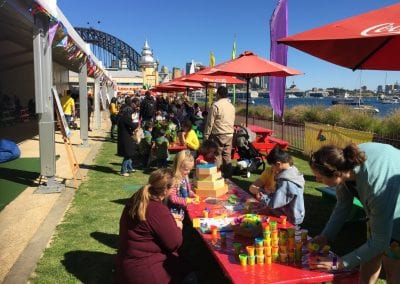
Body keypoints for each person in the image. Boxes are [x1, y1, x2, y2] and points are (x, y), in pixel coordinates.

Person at [308, 142, 400, 283]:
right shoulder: (343, 165)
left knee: (392, 262)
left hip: (396, 211)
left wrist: (341, 263)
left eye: (319, 176)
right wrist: (325, 236)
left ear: (336, 173)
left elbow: (380, 242)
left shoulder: (376, 187)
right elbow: (343, 205)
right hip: (381, 202)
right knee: (370, 256)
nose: (316, 180)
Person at [115, 168, 194, 284]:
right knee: (190, 276)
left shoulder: (138, 198)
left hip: (127, 265)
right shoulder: (157, 210)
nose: (174, 191)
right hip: (144, 273)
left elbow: (151, 222)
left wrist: (168, 219)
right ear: (166, 189)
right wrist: (178, 225)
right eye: (173, 188)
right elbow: (174, 243)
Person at [252, 147, 305, 226]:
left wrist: (263, 197)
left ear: (278, 164)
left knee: (287, 234)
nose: (272, 169)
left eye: (273, 166)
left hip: (289, 217)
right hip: (292, 212)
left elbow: (275, 203)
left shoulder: (286, 181)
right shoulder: (293, 171)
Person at [203, 86, 235, 178]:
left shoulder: (215, 105)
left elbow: (210, 123)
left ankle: (217, 175)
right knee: (227, 156)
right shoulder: (232, 106)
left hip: (218, 134)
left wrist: (206, 135)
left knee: (217, 155)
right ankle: (228, 176)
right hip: (229, 134)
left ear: (218, 94)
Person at [117, 107, 137, 176]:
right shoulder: (125, 118)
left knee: (130, 153)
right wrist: (137, 123)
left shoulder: (121, 117)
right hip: (126, 138)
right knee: (128, 154)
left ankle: (130, 168)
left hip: (124, 137)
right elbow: (133, 126)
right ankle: (123, 171)